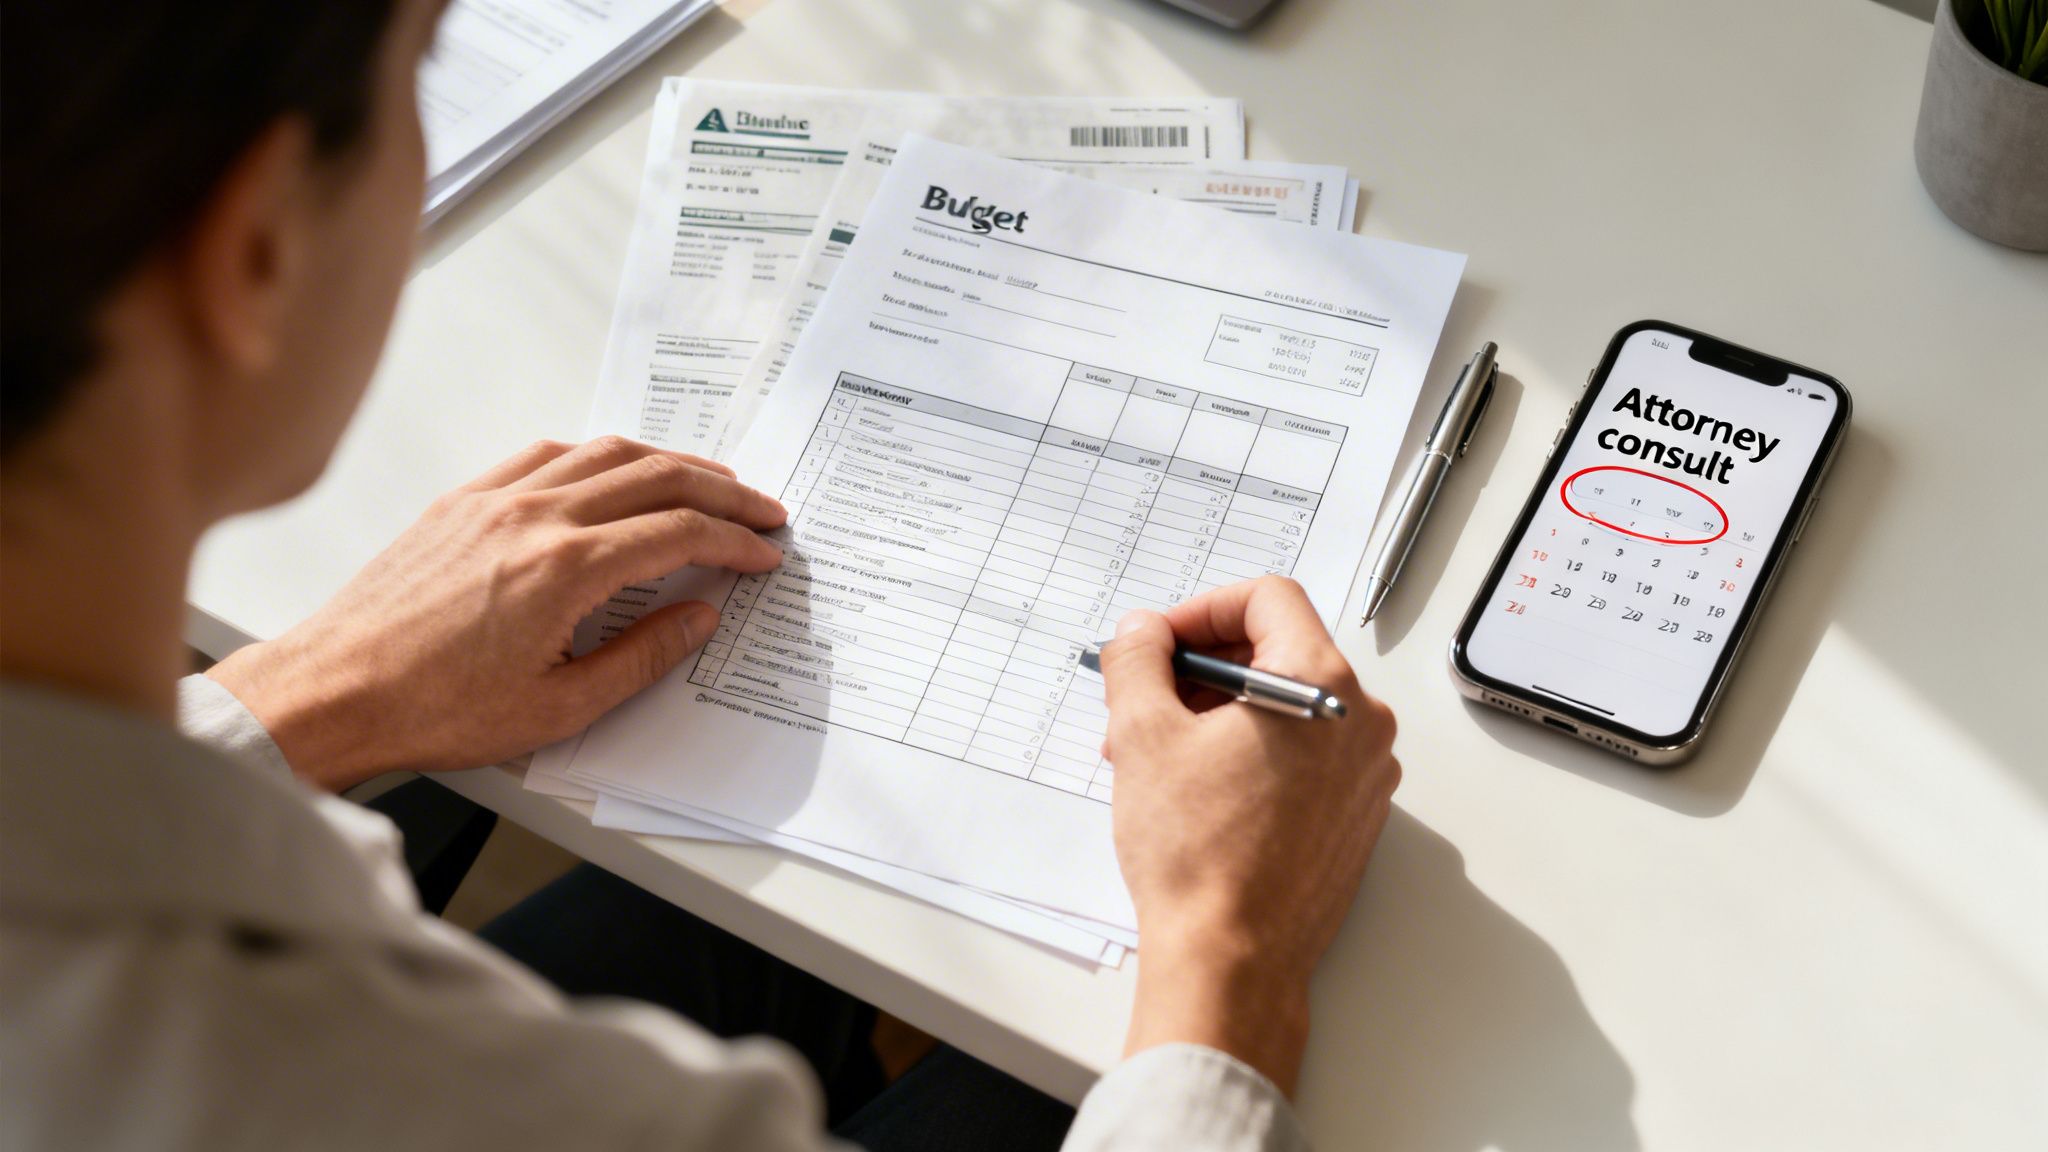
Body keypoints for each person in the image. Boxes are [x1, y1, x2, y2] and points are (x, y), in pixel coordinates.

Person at [0, 2, 1402, 1149]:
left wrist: (298, 699)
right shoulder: (341, 1080)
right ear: (250, 252)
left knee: (727, 930)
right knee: (1030, 1081)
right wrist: (1233, 952)